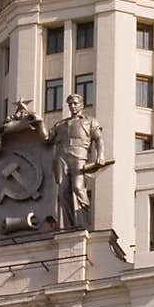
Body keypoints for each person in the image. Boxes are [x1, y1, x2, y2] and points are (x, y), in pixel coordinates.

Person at [37, 93, 105, 230]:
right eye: (70, 104)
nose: (72, 106)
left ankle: (83, 224)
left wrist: (101, 155)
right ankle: (69, 226)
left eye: (75, 103)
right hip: (61, 158)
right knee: (63, 192)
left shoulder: (90, 121)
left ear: (82, 105)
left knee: (78, 188)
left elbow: (98, 139)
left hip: (79, 156)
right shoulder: (61, 124)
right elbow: (46, 139)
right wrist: (39, 123)